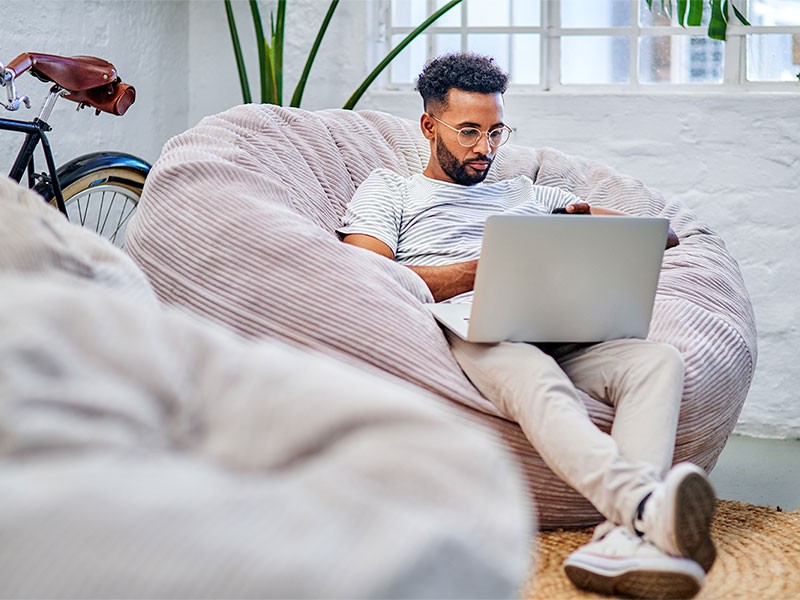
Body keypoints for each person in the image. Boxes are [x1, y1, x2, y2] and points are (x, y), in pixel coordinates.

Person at [337, 52, 716, 599]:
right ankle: (645, 507)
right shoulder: (390, 190)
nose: (484, 148)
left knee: (657, 361)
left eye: (496, 132)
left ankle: (623, 541)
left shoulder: (527, 195)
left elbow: (661, 235)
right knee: (532, 372)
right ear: (428, 125)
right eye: (469, 131)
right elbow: (369, 270)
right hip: (473, 327)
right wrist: (481, 271)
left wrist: (577, 227)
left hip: (555, 321)